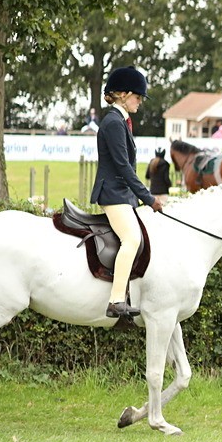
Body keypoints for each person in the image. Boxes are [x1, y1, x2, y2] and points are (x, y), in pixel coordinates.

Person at [89, 66, 164, 319]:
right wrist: (148, 198)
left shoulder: (120, 121)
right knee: (131, 239)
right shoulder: (113, 122)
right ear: (123, 95)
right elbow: (123, 166)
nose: (140, 102)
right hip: (112, 194)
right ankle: (116, 300)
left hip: (121, 194)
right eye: (138, 97)